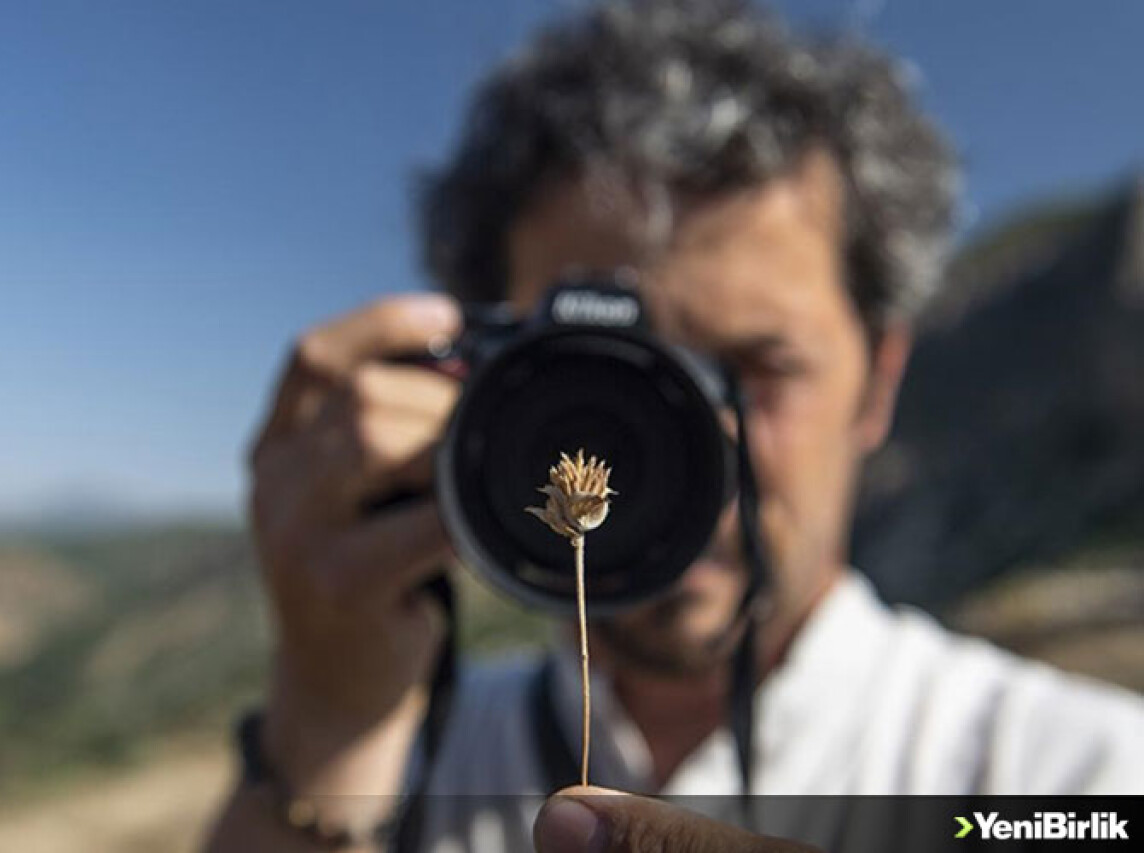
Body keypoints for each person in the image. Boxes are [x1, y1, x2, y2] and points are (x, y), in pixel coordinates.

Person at [203, 1, 1144, 851]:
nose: (692, 439)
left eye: (754, 369)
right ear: (483, 388)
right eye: (602, 377)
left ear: (876, 384)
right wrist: (325, 725)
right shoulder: (401, 750)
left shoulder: (1074, 781)